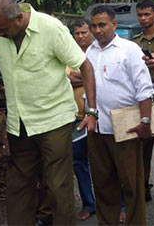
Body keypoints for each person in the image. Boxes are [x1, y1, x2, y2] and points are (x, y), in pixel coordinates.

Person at [0, 0, 97, 225]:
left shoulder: (51, 28)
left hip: (54, 120)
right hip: (19, 122)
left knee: (58, 184)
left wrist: (91, 111)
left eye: (3, 29)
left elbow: (85, 65)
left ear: (19, 17)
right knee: (18, 184)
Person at [87, 4, 154, 225]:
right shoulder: (90, 51)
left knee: (131, 185)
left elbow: (144, 88)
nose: (97, 30)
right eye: (94, 26)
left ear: (114, 24)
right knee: (104, 185)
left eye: (102, 25)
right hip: (97, 128)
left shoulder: (129, 49)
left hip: (126, 128)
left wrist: (145, 121)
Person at [132, 0, 154, 202]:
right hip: (145, 96)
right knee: (144, 144)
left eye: (147, 14)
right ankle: (143, 187)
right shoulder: (135, 41)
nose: (143, 18)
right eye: (140, 15)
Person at [68, 20, 96, 221]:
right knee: (79, 163)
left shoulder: (98, 51)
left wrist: (81, 76)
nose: (80, 36)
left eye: (84, 32)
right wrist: (86, 76)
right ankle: (89, 203)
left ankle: (120, 204)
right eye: (76, 33)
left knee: (107, 163)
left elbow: (95, 78)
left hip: (99, 117)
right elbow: (66, 78)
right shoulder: (68, 54)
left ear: (91, 32)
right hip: (76, 118)